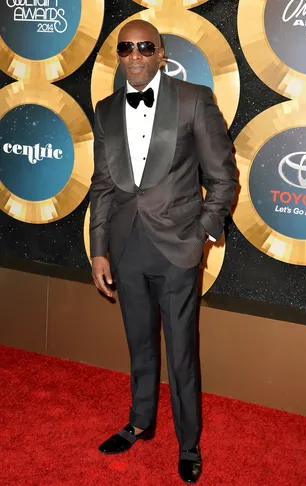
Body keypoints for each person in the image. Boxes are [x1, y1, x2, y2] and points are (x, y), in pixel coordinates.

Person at [89, 19, 237, 484]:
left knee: (182, 354)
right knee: (139, 345)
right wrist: (98, 250)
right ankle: (140, 422)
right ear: (118, 54)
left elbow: (223, 178)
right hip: (126, 246)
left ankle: (188, 442)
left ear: (160, 52)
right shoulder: (105, 108)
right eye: (126, 48)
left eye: (144, 47)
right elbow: (102, 186)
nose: (134, 55)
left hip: (177, 248)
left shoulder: (193, 99)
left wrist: (203, 234)